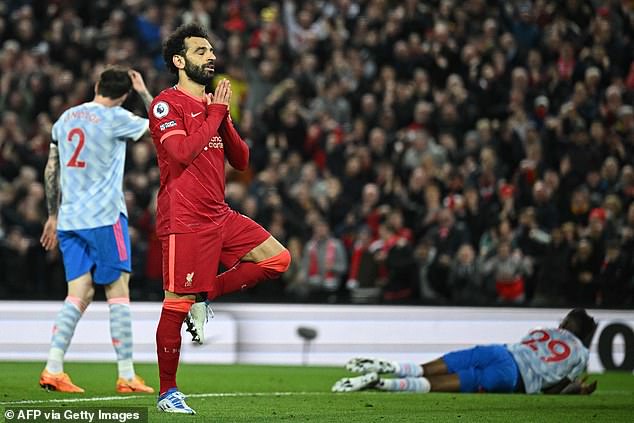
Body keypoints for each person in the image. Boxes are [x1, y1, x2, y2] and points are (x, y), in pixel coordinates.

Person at [149, 23, 290, 414]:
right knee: (175, 303)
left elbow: (242, 160)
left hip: (219, 213)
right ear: (179, 61)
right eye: (200, 51)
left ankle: (205, 296)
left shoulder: (214, 106)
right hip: (185, 218)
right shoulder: (166, 104)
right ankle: (167, 393)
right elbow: (181, 154)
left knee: (277, 259)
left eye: (211, 50)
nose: (211, 56)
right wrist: (214, 113)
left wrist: (222, 117)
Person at [39, 67, 155, 394]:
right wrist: (144, 93)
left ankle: (53, 367)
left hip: (69, 219)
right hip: (104, 219)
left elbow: (52, 168)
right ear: (123, 96)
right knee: (118, 292)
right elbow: (163, 128)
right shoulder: (117, 117)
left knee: (79, 293)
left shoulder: (65, 118)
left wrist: (52, 215)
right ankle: (127, 374)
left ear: (96, 86)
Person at [332, 308, 598, 395]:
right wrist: (577, 390)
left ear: (564, 323)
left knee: (444, 364)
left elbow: (528, 347)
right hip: (513, 377)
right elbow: (555, 388)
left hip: (501, 352)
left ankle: (396, 367)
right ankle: (385, 383)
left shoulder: (543, 331)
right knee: (442, 385)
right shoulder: (582, 354)